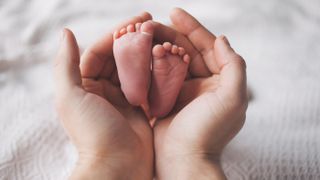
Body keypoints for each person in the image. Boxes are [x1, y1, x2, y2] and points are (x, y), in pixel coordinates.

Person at [54, 7, 248, 180]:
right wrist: (190, 155)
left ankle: (137, 92)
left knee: (143, 97)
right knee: (167, 98)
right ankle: (158, 102)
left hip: (121, 137)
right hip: (178, 129)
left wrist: (106, 157)